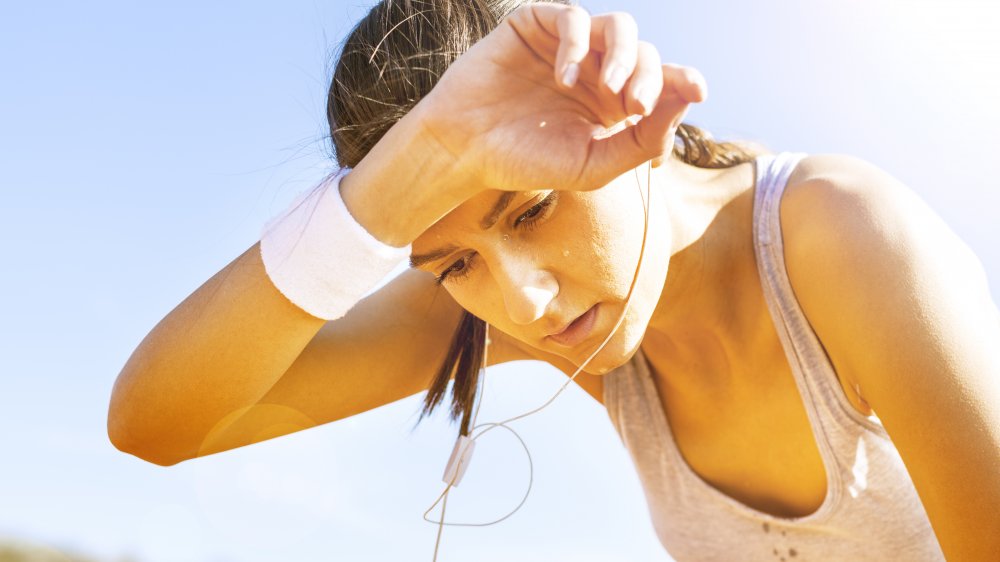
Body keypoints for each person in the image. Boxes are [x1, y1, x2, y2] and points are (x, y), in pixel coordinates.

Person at [106, 0, 1000, 560]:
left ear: (624, 115)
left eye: (531, 212)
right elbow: (157, 424)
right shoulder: (513, 310)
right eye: (453, 263)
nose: (523, 304)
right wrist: (375, 203)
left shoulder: (840, 235)